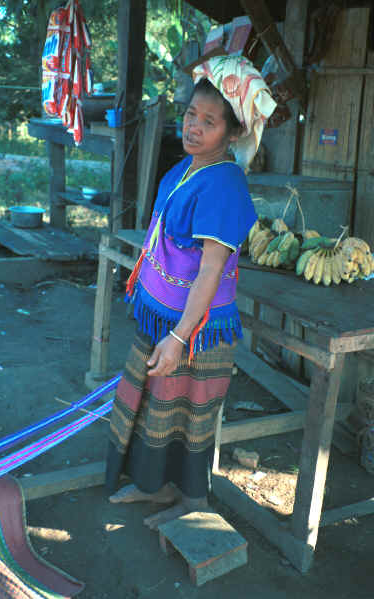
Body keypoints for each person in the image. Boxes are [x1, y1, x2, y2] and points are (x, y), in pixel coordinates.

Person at [105, 55, 276, 530]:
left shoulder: (225, 185)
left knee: (188, 413)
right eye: (190, 116)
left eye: (209, 121)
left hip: (194, 329)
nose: (194, 128)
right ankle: (152, 485)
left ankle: (193, 501)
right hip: (163, 318)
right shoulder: (182, 170)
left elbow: (210, 271)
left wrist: (180, 338)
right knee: (154, 406)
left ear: (233, 132)